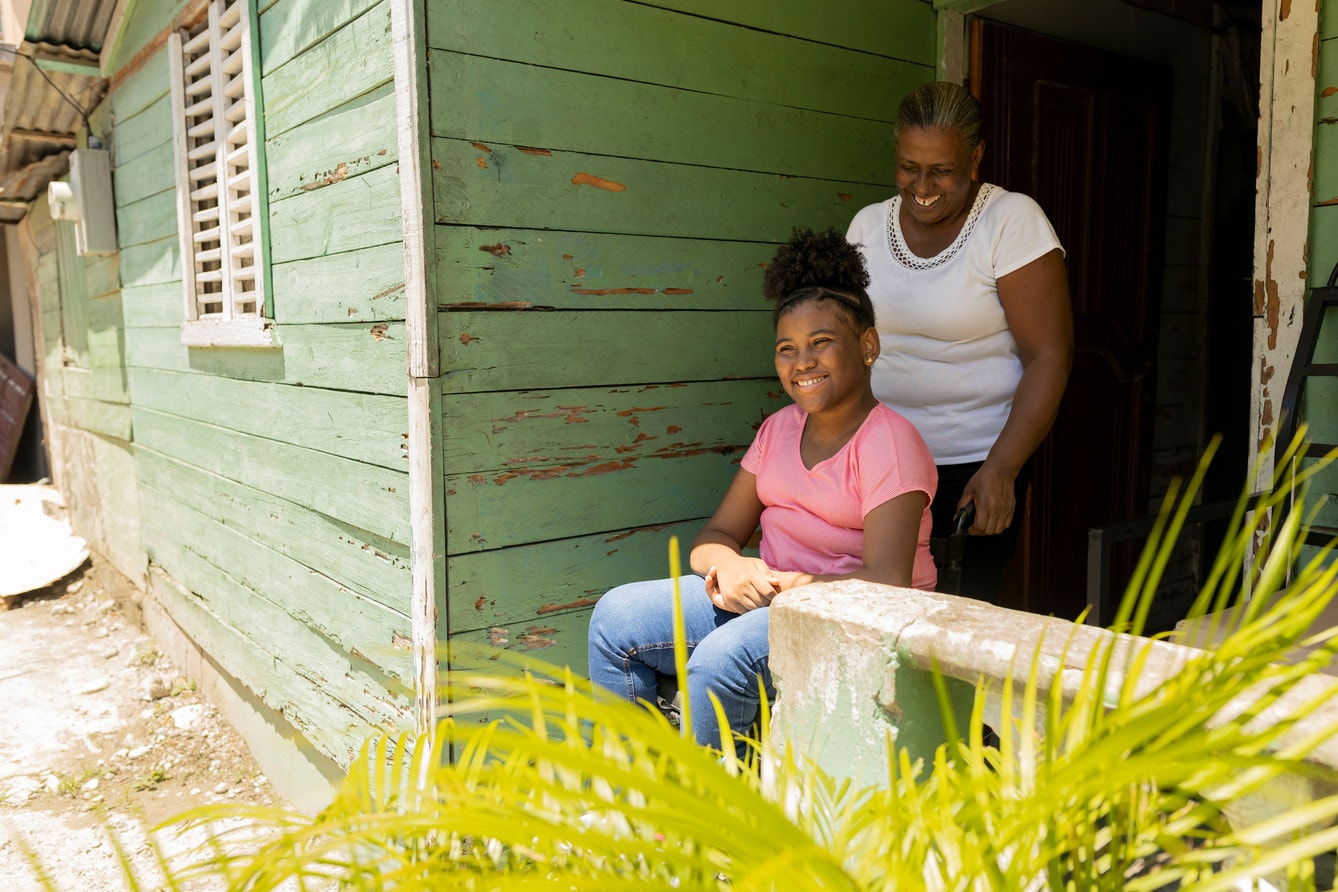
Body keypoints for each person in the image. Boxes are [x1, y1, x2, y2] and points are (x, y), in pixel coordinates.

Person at [587, 227, 937, 753]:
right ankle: (632, 798)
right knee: (616, 620)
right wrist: (727, 566)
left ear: (868, 346)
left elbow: (885, 582)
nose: (802, 363)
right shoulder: (777, 431)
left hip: (853, 618)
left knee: (717, 663)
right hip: (769, 598)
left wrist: (782, 586)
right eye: (787, 349)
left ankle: (706, 821)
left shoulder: (890, 443)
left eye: (821, 343)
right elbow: (718, 533)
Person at [846, 81, 1074, 605]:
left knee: (957, 618)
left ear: (975, 158)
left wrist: (1002, 469)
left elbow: (1050, 355)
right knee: (871, 610)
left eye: (941, 171)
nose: (922, 186)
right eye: (909, 167)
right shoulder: (866, 226)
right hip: (879, 461)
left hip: (974, 464)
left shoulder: (1011, 221)